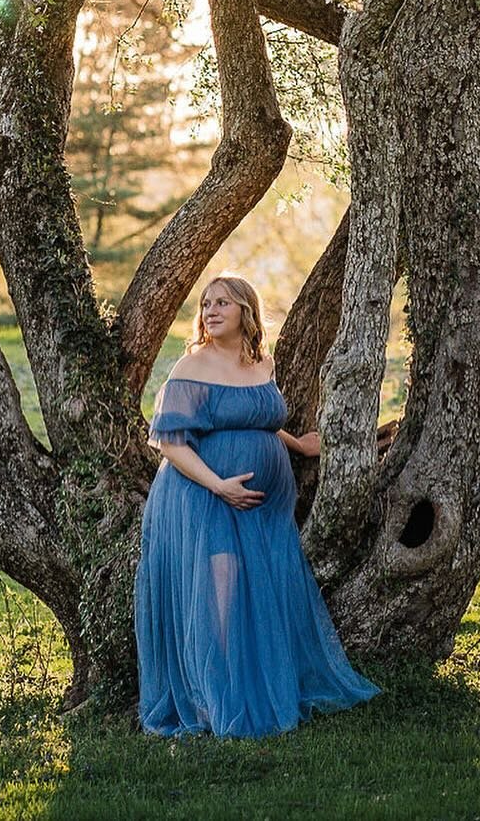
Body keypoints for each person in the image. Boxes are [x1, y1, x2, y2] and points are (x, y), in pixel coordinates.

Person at [134, 272, 381, 738]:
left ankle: (259, 686)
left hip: (264, 508)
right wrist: (220, 486)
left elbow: (257, 419)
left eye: (223, 302)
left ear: (246, 312)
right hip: (202, 498)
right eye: (206, 303)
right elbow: (171, 443)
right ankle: (218, 699)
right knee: (219, 595)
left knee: (258, 593)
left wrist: (299, 445)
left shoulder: (260, 362)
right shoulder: (192, 368)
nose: (211, 310)